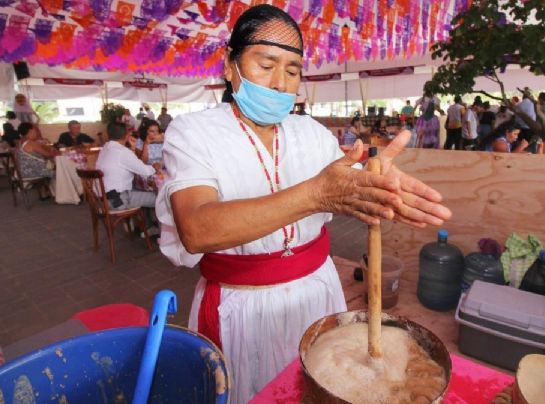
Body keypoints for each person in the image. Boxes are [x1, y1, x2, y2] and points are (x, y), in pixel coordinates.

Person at [154, 5, 452, 403]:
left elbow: (350, 181)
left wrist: (374, 182)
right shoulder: (194, 134)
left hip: (317, 292)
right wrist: (315, 194)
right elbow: (196, 229)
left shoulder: (312, 134)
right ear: (230, 66)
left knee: (320, 390)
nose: (280, 83)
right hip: (242, 307)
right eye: (266, 64)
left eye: (293, 71)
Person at [96, 122, 161, 232]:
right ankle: (160, 232)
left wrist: (132, 149)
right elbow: (145, 172)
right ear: (127, 135)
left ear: (108, 135)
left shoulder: (105, 148)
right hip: (117, 200)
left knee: (140, 190)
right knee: (161, 198)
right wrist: (155, 166)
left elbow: (127, 163)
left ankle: (146, 226)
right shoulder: (122, 152)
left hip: (103, 199)